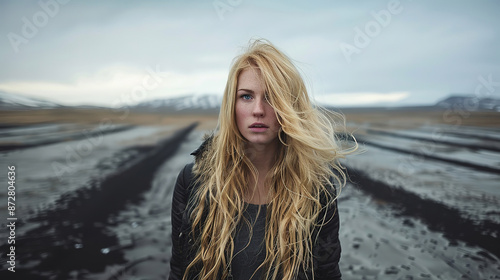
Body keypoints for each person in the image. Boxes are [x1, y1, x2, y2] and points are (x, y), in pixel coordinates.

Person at [169, 39, 357, 280]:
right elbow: (179, 271)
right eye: (246, 97)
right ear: (231, 105)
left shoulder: (316, 190)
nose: (258, 109)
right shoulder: (194, 181)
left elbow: (328, 274)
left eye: (271, 97)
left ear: (290, 106)